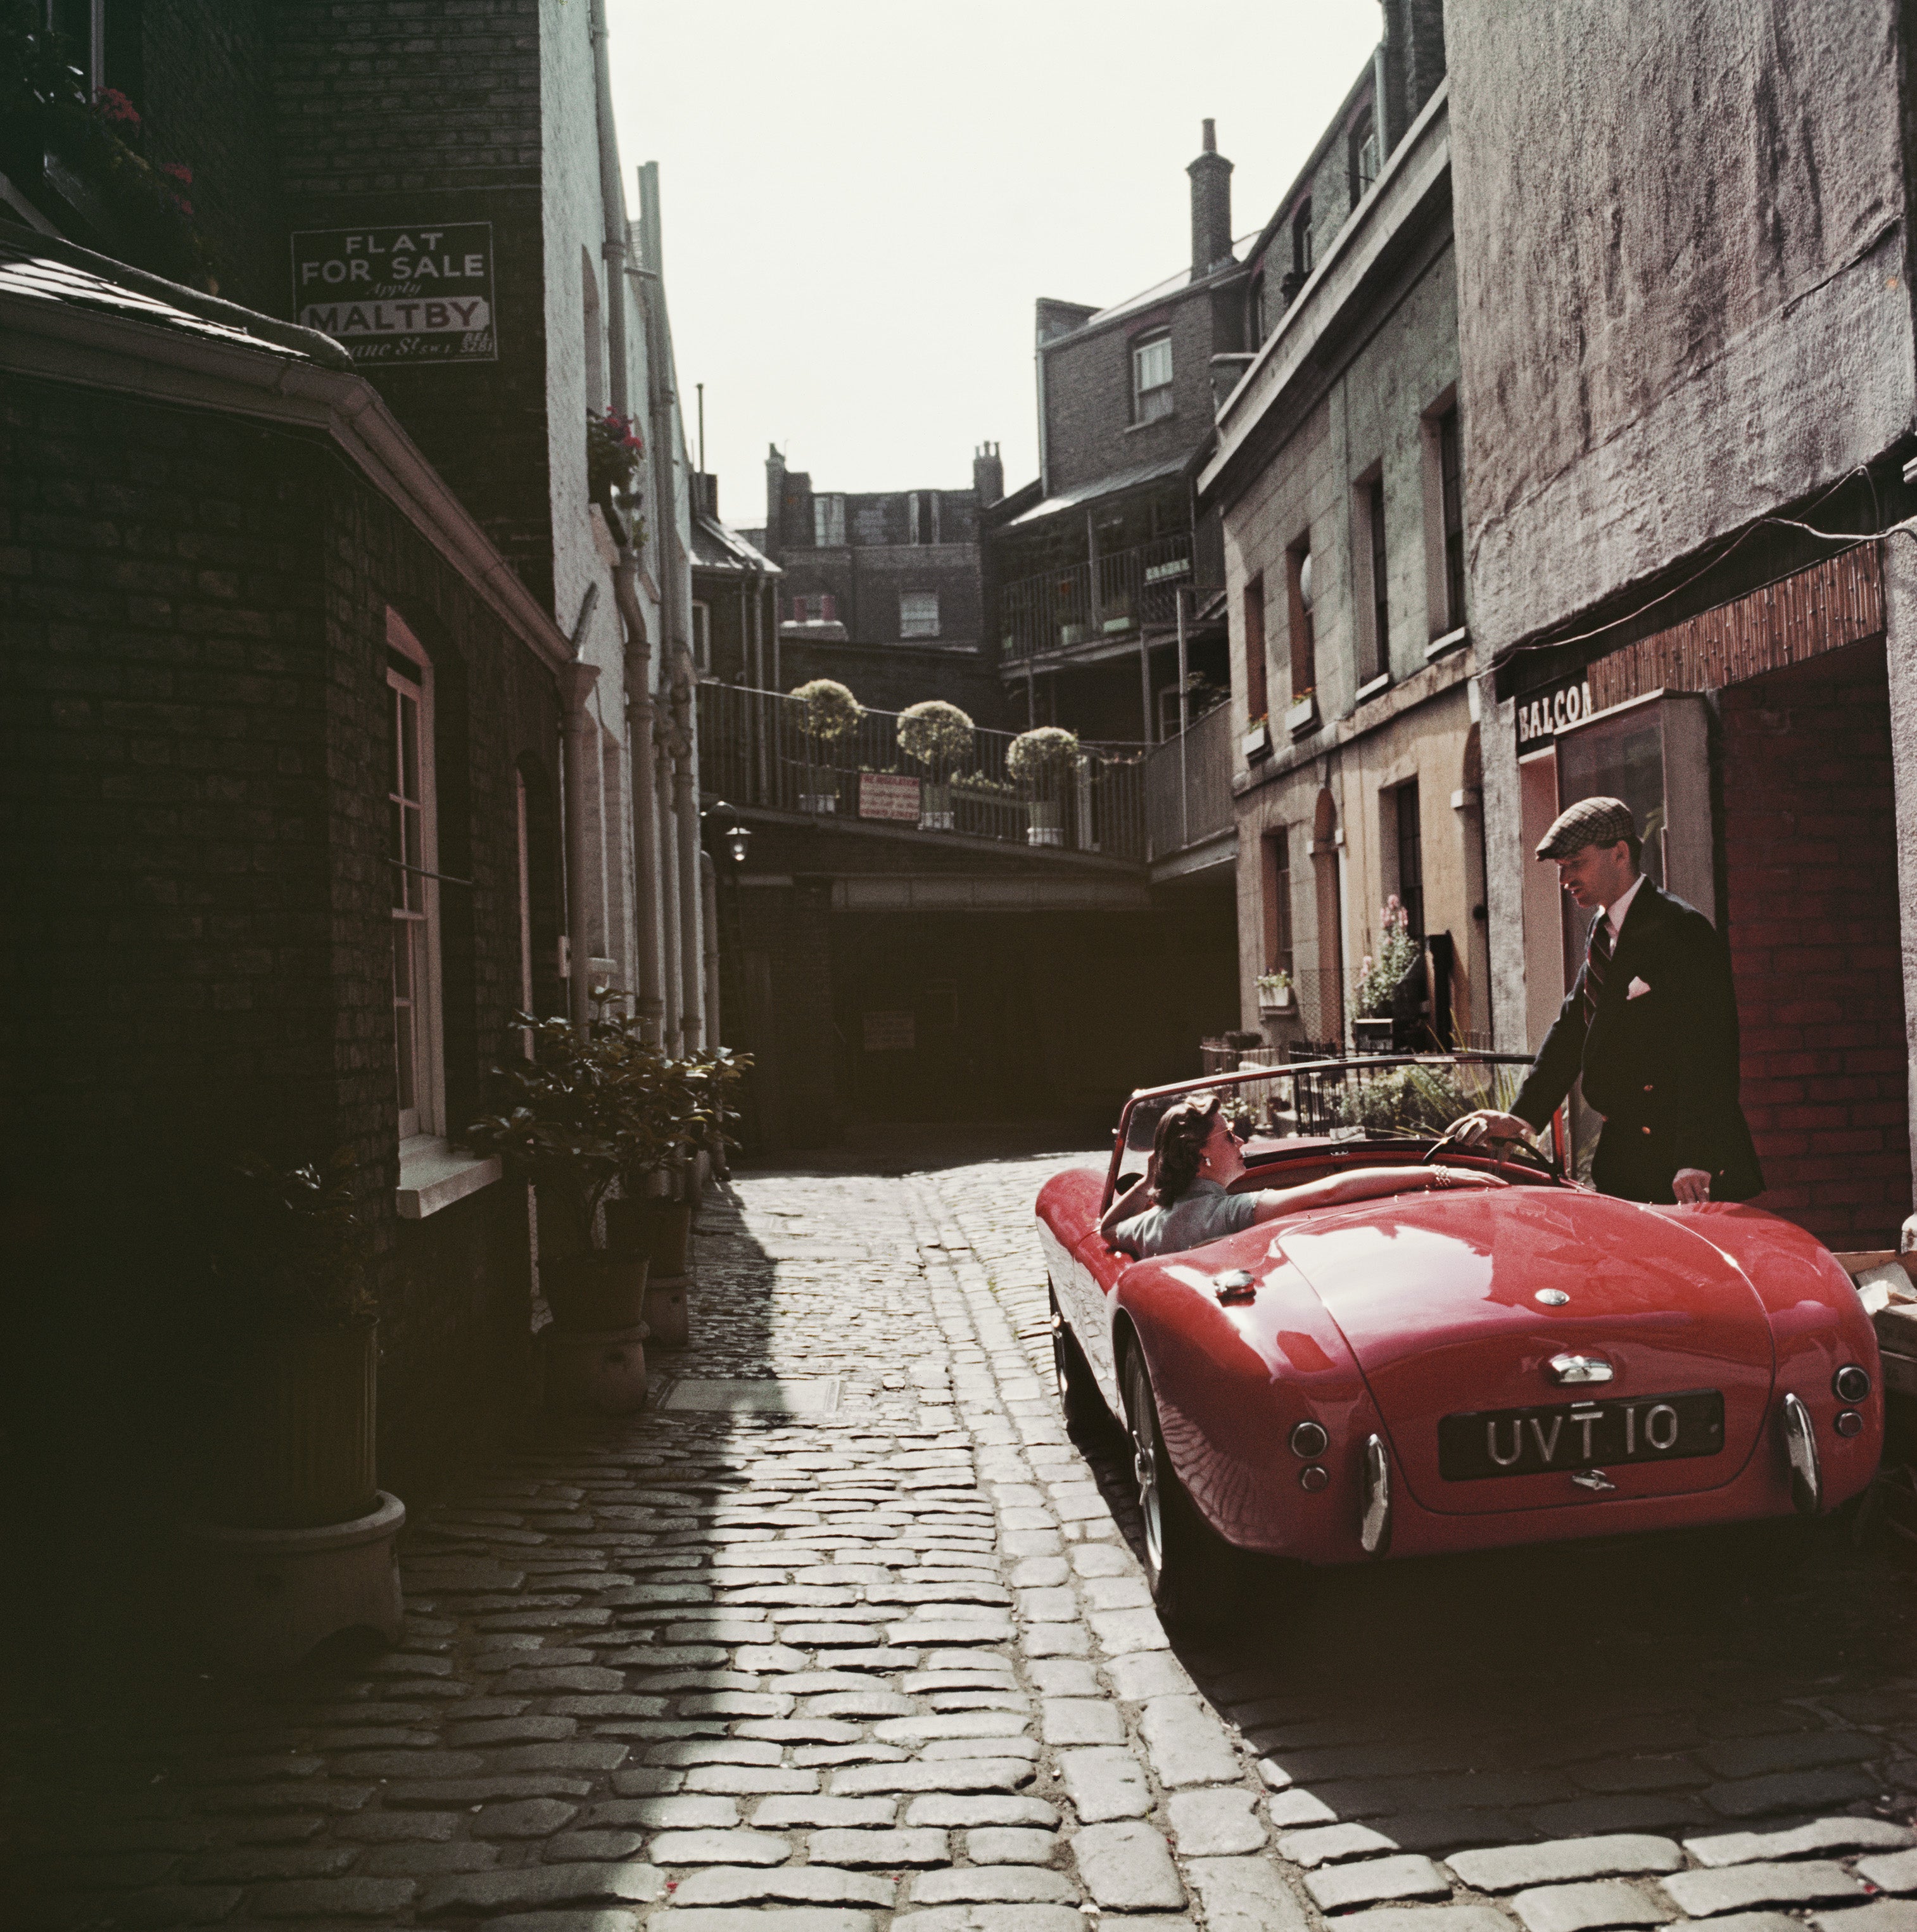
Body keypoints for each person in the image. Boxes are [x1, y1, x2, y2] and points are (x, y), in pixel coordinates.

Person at [1451, 795, 1764, 1206]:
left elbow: (1709, 1050)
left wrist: (1695, 1158)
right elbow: (1572, 1029)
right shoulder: (1604, 928)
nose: (1565, 879)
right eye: (1561, 868)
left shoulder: (1680, 928)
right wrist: (1521, 1117)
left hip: (1680, 1165)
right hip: (1626, 1157)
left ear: (1619, 854)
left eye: (1575, 864)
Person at [1101, 1090, 1487, 1259]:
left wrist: (1148, 1182)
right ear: (1202, 1154)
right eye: (1229, 1135)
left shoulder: (1151, 1225)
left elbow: (1107, 1228)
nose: (1240, 1141)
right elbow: (1328, 1192)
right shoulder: (1229, 1212)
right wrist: (1436, 1173)